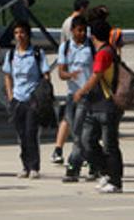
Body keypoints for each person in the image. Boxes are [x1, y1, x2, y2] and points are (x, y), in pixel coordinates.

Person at [72, 19, 123, 193]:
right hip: (97, 105)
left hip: (106, 104)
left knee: (110, 146)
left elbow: (96, 76)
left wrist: (81, 91)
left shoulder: (104, 53)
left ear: (91, 35)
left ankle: (115, 180)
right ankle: (106, 172)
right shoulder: (105, 50)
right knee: (87, 141)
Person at [2, 19, 51, 178]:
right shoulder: (11, 55)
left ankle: (34, 166)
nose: (19, 36)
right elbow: (7, 76)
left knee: (31, 133)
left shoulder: (37, 53)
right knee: (21, 135)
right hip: (18, 98)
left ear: (28, 35)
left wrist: (43, 94)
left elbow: (45, 75)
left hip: (32, 99)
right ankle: (25, 165)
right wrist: (10, 95)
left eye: (22, 32)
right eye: (16, 33)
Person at [51, 0, 91, 165]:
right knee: (78, 126)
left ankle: (64, 152)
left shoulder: (65, 23)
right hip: (76, 89)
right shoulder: (78, 31)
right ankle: (83, 156)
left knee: (73, 123)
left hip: (79, 89)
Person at [57, 16, 94, 182]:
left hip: (87, 96)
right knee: (79, 134)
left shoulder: (91, 47)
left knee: (79, 134)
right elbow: (61, 72)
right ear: (72, 31)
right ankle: (94, 162)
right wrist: (69, 75)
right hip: (72, 95)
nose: (81, 33)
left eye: (83, 30)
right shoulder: (65, 48)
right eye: (78, 30)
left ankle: (73, 167)